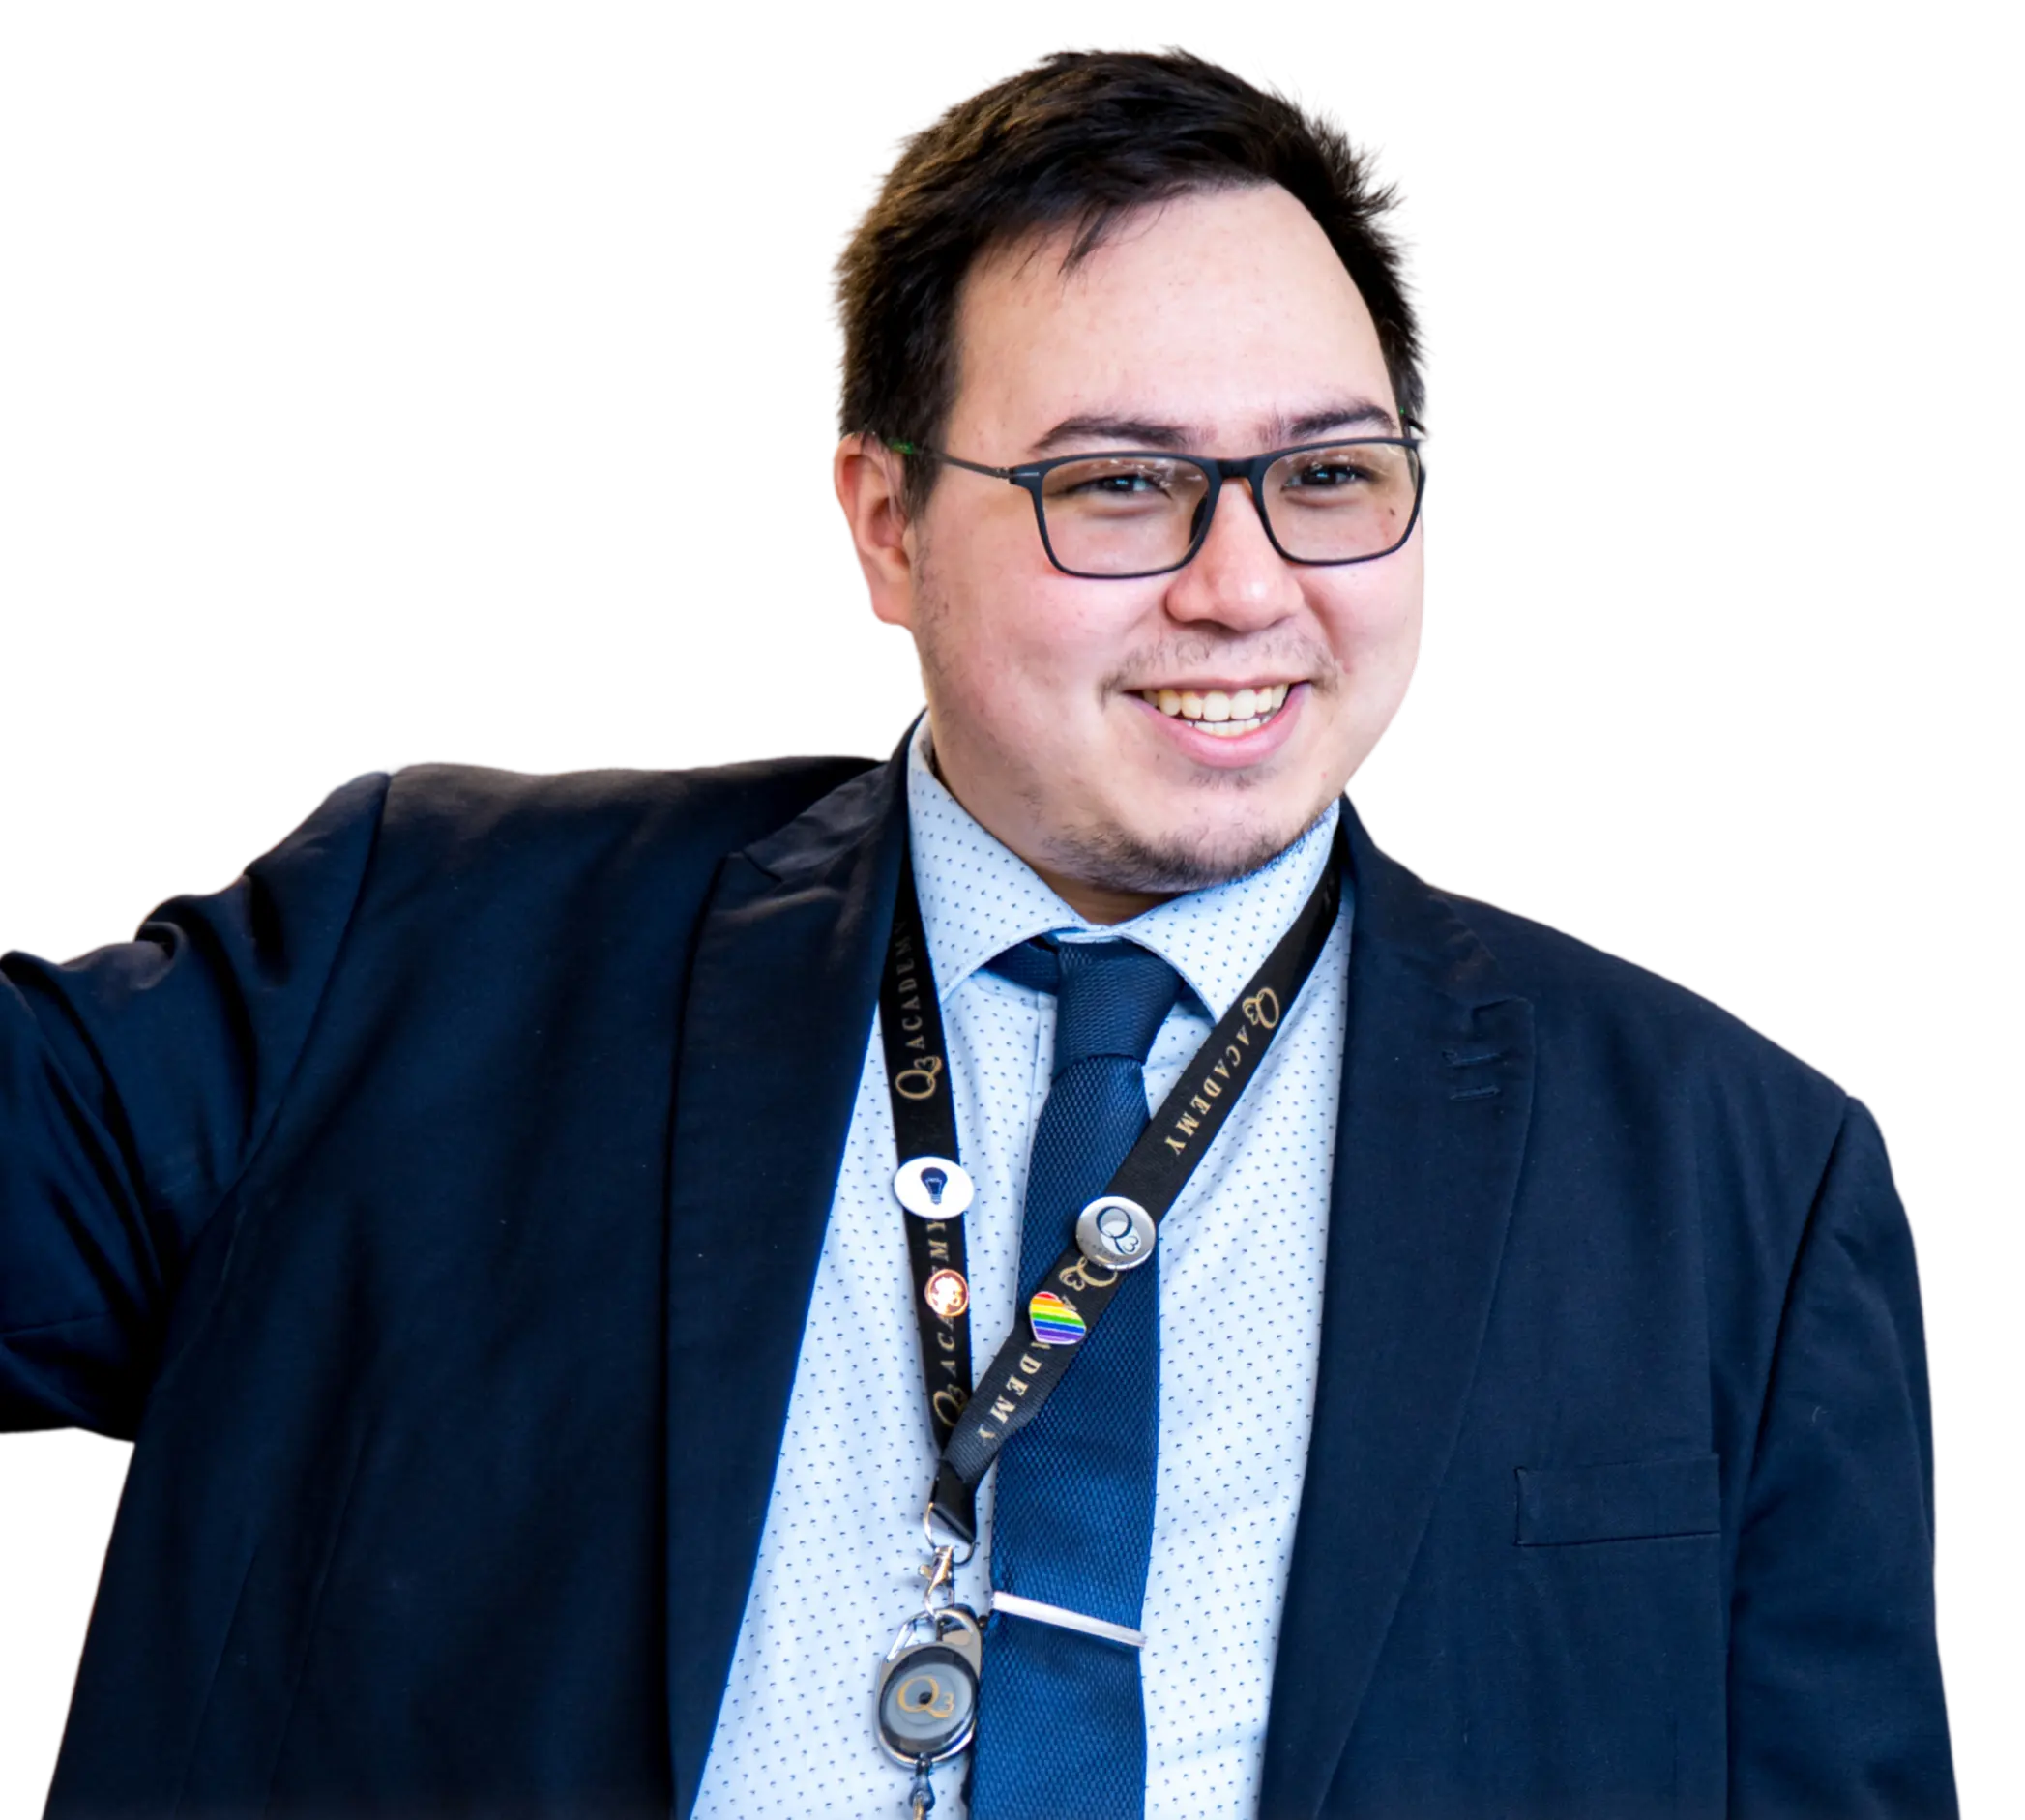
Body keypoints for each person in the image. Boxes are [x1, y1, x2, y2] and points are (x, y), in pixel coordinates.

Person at [1, 42, 1956, 1820]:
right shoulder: (411, 947)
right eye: (1120, 487)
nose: (1245, 584)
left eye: (1331, 477)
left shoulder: (1746, 1178)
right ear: (881, 521)